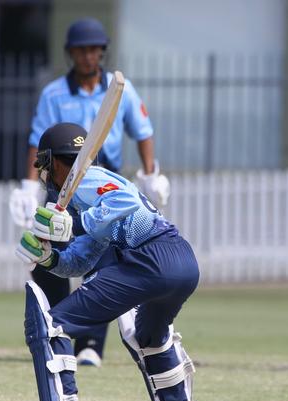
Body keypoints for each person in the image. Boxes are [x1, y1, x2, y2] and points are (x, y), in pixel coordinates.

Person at [14, 123, 204, 401]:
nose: (44, 175)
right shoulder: (89, 198)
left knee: (51, 325)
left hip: (149, 259)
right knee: (147, 335)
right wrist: (49, 259)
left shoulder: (86, 179)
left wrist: (78, 223)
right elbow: (82, 260)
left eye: (44, 166)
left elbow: (126, 199)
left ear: (53, 162)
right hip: (181, 262)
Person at [10, 18, 170, 367]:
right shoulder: (54, 93)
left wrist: (149, 173)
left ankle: (91, 345)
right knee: (49, 253)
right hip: (59, 182)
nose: (88, 56)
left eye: (94, 49)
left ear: (102, 52)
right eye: (81, 50)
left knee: (101, 259)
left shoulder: (121, 91)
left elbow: (142, 131)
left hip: (103, 182)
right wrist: (28, 185)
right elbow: (37, 140)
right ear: (71, 53)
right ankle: (55, 328)